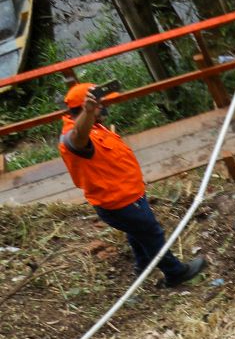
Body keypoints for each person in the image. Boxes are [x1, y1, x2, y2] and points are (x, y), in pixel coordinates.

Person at [60, 82, 207, 289]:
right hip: (119, 203)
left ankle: (143, 265)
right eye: (100, 104)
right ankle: (175, 273)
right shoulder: (76, 136)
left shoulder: (95, 126)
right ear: (88, 107)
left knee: (138, 232)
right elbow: (78, 137)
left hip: (129, 195)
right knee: (151, 233)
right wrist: (89, 112)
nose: (104, 108)